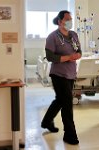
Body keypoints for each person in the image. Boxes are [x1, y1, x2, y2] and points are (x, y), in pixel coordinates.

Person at [41, 10, 82, 145]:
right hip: (58, 74)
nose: (70, 21)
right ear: (60, 21)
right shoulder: (52, 37)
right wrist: (69, 57)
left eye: (71, 19)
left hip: (71, 73)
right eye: (67, 19)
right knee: (67, 104)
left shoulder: (74, 35)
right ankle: (69, 135)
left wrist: (77, 55)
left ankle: (47, 121)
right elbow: (50, 57)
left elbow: (79, 51)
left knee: (60, 100)